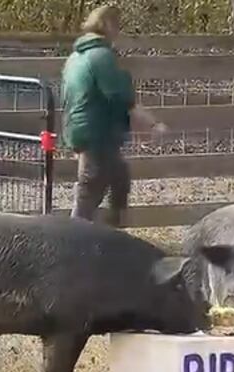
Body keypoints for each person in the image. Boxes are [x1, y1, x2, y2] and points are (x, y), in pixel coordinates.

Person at [60, 4, 167, 227]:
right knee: (90, 188)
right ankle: (74, 236)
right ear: (107, 24)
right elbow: (120, 96)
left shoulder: (76, 56)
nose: (119, 30)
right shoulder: (102, 56)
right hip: (97, 132)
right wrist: (152, 124)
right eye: (116, 23)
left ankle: (113, 231)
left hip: (80, 128)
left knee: (119, 177)